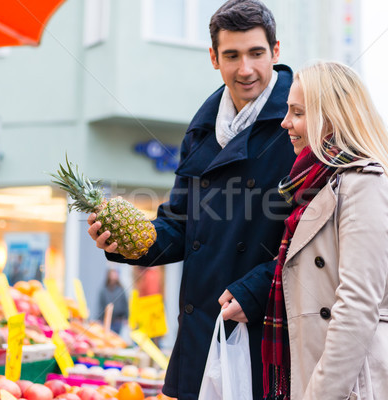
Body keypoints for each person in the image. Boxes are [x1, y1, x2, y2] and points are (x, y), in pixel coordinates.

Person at [87, 1, 296, 398]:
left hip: (265, 332)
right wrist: (129, 242)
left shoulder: (298, 122)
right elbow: (180, 225)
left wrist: (256, 289)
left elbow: (314, 242)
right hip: (203, 333)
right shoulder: (201, 130)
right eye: (232, 55)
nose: (246, 69)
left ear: (276, 51)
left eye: (256, 53)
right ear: (214, 58)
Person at [261, 61, 388, 400]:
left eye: (297, 112)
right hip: (333, 375)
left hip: (359, 383)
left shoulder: (365, 184)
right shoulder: (318, 187)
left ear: (330, 117)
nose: (285, 123)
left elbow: (356, 305)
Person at [98, 266, 129, 335]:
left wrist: (126, 317)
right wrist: (99, 318)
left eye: (115, 274)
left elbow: (125, 303)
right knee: (108, 336)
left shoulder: (120, 289)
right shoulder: (104, 290)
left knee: (116, 336)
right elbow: (101, 304)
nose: (113, 276)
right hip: (107, 319)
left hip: (118, 320)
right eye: (112, 274)